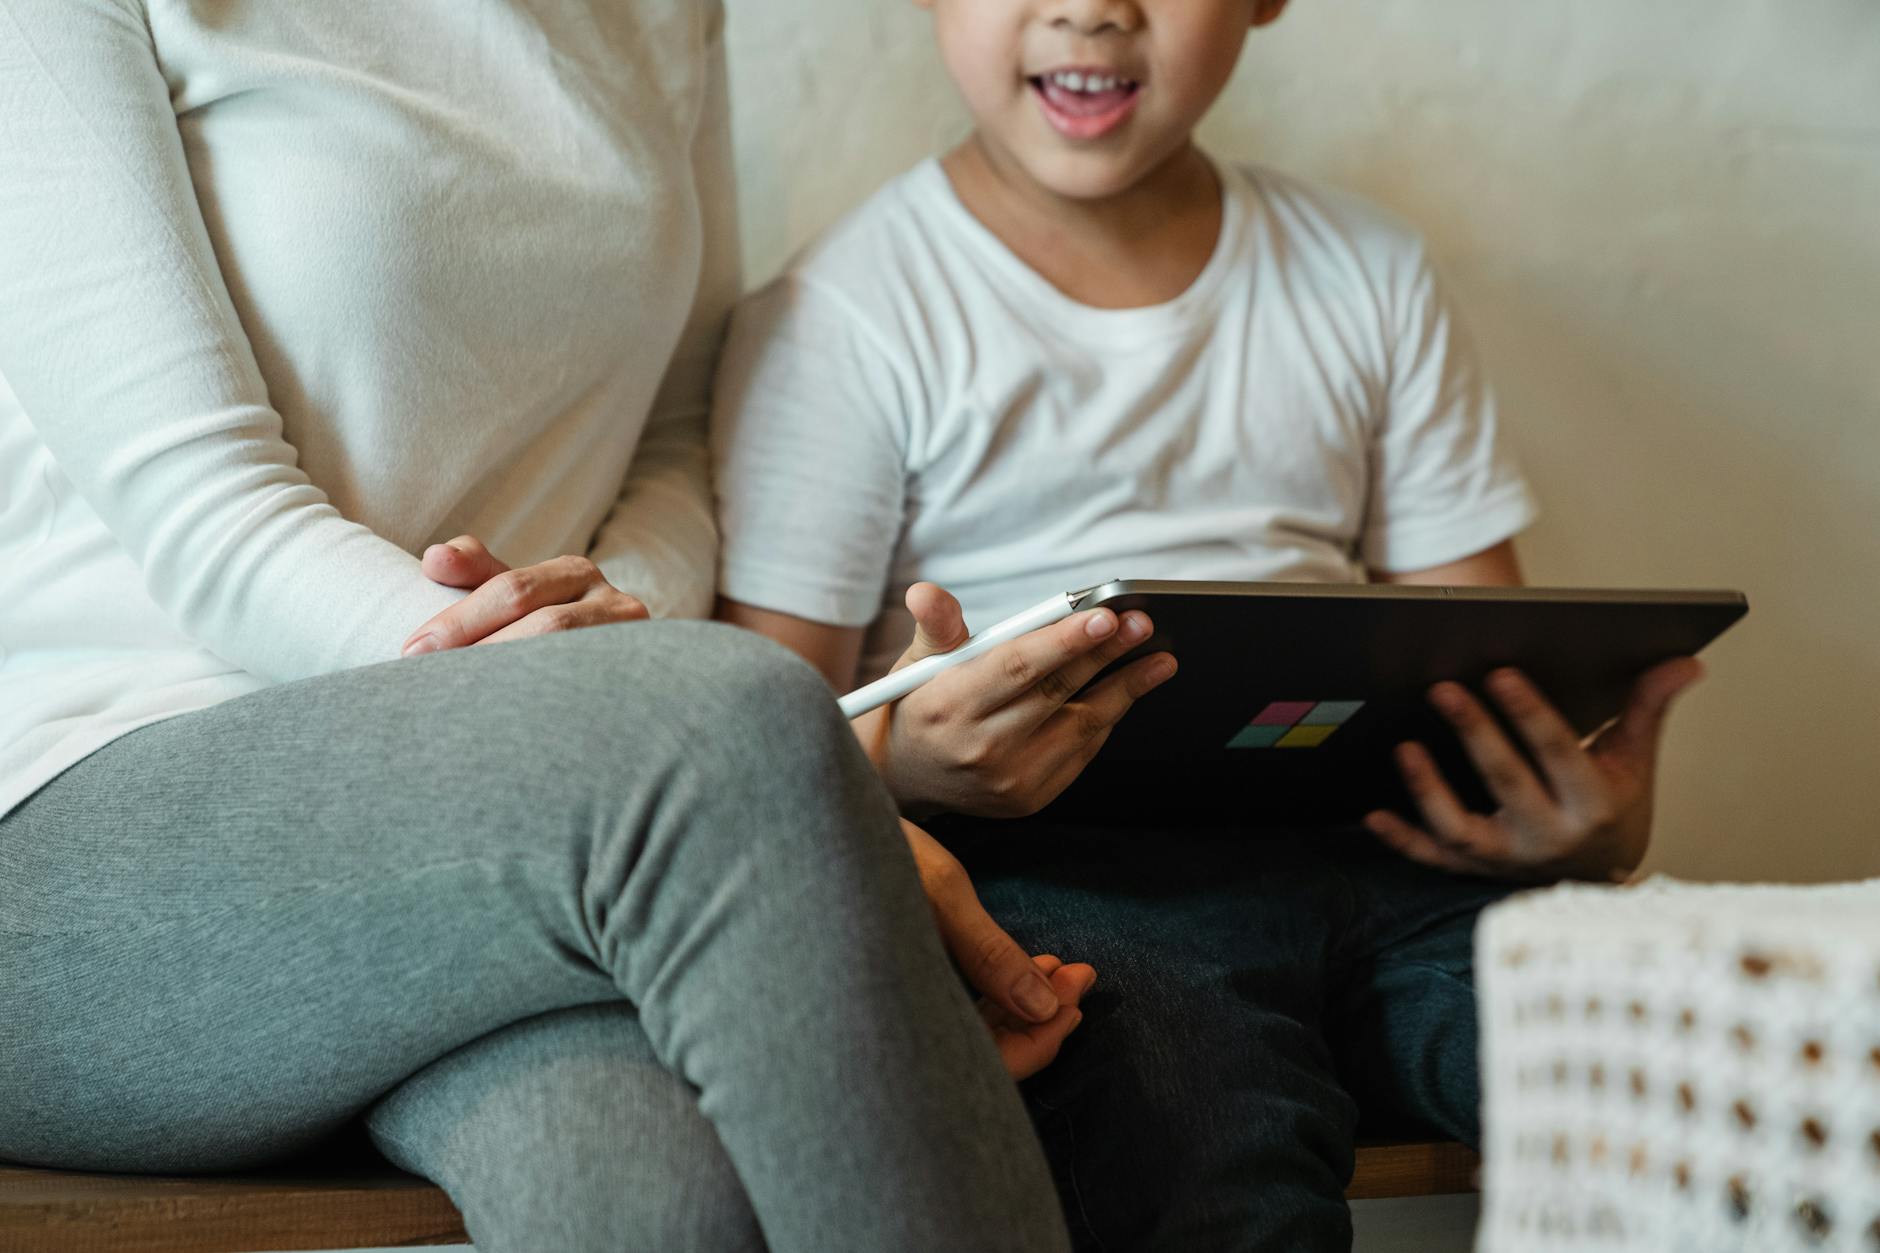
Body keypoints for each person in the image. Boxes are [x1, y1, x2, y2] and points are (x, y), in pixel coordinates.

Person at [0, 3, 1084, 1250]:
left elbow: (675, 435)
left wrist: (614, 696)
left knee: (664, 1202)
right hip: (85, 839)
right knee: (729, 718)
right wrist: (694, 757)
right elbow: (201, 505)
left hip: (513, 848)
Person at [709, 0, 1705, 1249]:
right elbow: (748, 752)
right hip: (1067, 886)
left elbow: (1478, 649)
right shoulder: (843, 310)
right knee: (1205, 1171)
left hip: (1396, 862)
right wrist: (904, 768)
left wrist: (1565, 817)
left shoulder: (1364, 271)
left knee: (1688, 1078)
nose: (1089, 8)